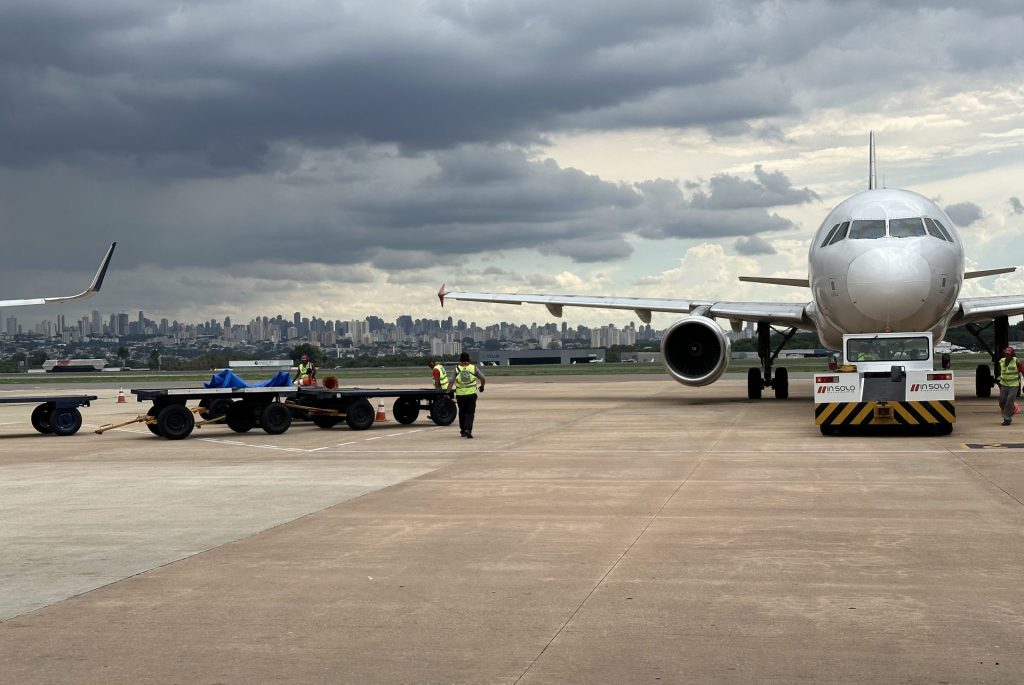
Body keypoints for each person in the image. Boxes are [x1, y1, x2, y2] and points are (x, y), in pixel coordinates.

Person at [448, 352, 485, 438]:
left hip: (460, 395)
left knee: (462, 412)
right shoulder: (473, 368)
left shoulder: (456, 369)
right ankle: (468, 429)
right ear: (469, 359)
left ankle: (463, 431)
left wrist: (447, 392)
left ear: (460, 359)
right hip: (471, 395)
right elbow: (483, 378)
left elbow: (451, 381)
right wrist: (482, 386)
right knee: (470, 413)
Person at [996, 346, 1024, 425]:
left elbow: (1023, 372)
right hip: (1004, 384)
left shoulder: (1016, 362)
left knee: (1009, 400)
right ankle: (1011, 410)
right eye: (1005, 354)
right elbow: (1001, 372)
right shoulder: (1001, 361)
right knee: (1002, 402)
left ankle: (1007, 419)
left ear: (1012, 355)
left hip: (1014, 385)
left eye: (1008, 354)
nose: (1006, 355)